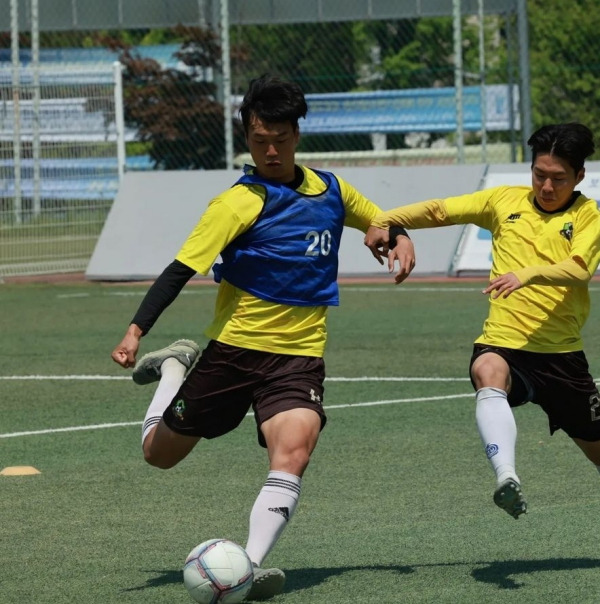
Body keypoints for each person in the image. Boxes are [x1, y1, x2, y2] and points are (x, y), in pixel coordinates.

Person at [111, 73, 415, 599]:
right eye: (258, 141)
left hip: (298, 356)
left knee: (294, 450)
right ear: (247, 139)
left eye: (279, 138)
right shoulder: (237, 203)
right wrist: (137, 330)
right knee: (158, 454)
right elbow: (180, 269)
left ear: (297, 133)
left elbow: (380, 219)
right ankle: (175, 367)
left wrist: (399, 234)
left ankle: (246, 568)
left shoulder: (332, 190)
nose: (270, 150)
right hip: (233, 353)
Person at [364, 122, 600, 520]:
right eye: (539, 174)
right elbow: (441, 209)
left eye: (558, 179)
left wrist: (526, 274)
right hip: (505, 341)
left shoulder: (587, 214)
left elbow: (578, 269)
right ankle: (507, 476)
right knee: (486, 369)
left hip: (561, 356)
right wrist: (385, 218)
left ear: (579, 176)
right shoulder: (502, 202)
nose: (545, 186)